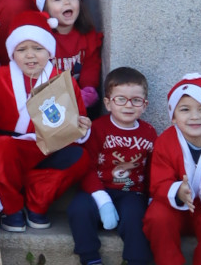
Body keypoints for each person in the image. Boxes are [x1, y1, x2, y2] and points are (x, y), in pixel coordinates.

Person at [0, 14, 92, 232]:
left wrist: (82, 127)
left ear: (49, 51)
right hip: (9, 147)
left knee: (80, 158)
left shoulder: (62, 79)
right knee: (0, 148)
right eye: (22, 50)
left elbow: (76, 120)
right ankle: (12, 209)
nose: (30, 56)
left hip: (48, 147)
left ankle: (37, 203)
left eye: (38, 49)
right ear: (12, 53)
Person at [144, 74, 201, 265]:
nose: (195, 116)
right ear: (174, 117)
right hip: (172, 207)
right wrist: (177, 190)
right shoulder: (165, 141)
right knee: (157, 217)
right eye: (185, 109)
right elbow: (159, 182)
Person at [68, 67, 156, 265]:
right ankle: (90, 258)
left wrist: (152, 197)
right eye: (120, 99)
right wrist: (101, 198)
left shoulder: (149, 133)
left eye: (136, 100)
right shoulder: (97, 128)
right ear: (108, 103)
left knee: (137, 216)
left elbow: (153, 168)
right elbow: (85, 166)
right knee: (78, 209)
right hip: (96, 190)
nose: (128, 105)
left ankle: (137, 260)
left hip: (130, 192)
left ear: (145, 105)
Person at [34, 0, 102, 106]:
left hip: (77, 97)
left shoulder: (86, 34)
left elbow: (91, 65)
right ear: (45, 8)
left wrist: (88, 89)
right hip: (47, 98)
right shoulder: (41, 37)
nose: (67, 2)